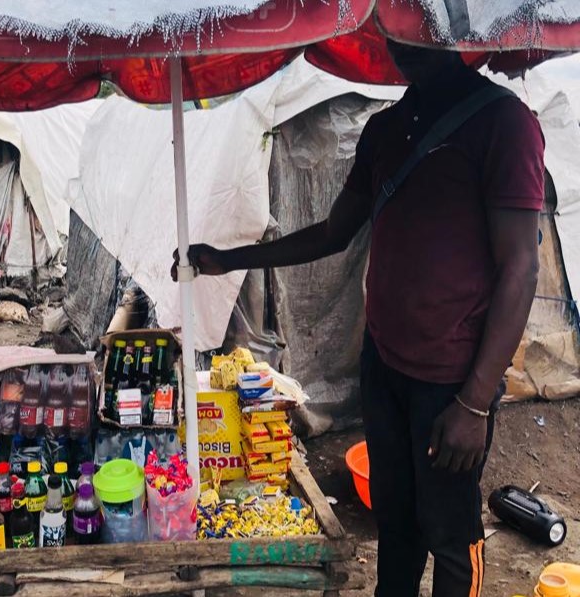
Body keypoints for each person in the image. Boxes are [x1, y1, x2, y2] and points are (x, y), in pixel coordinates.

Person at [173, 41, 544, 597]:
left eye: (420, 22)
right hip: (385, 363)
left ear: (454, 27)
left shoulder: (504, 123)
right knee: (397, 524)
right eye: (394, 26)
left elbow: (522, 268)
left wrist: (473, 402)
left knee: (450, 535)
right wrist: (228, 259)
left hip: (452, 382)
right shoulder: (387, 130)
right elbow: (331, 233)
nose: (404, 42)